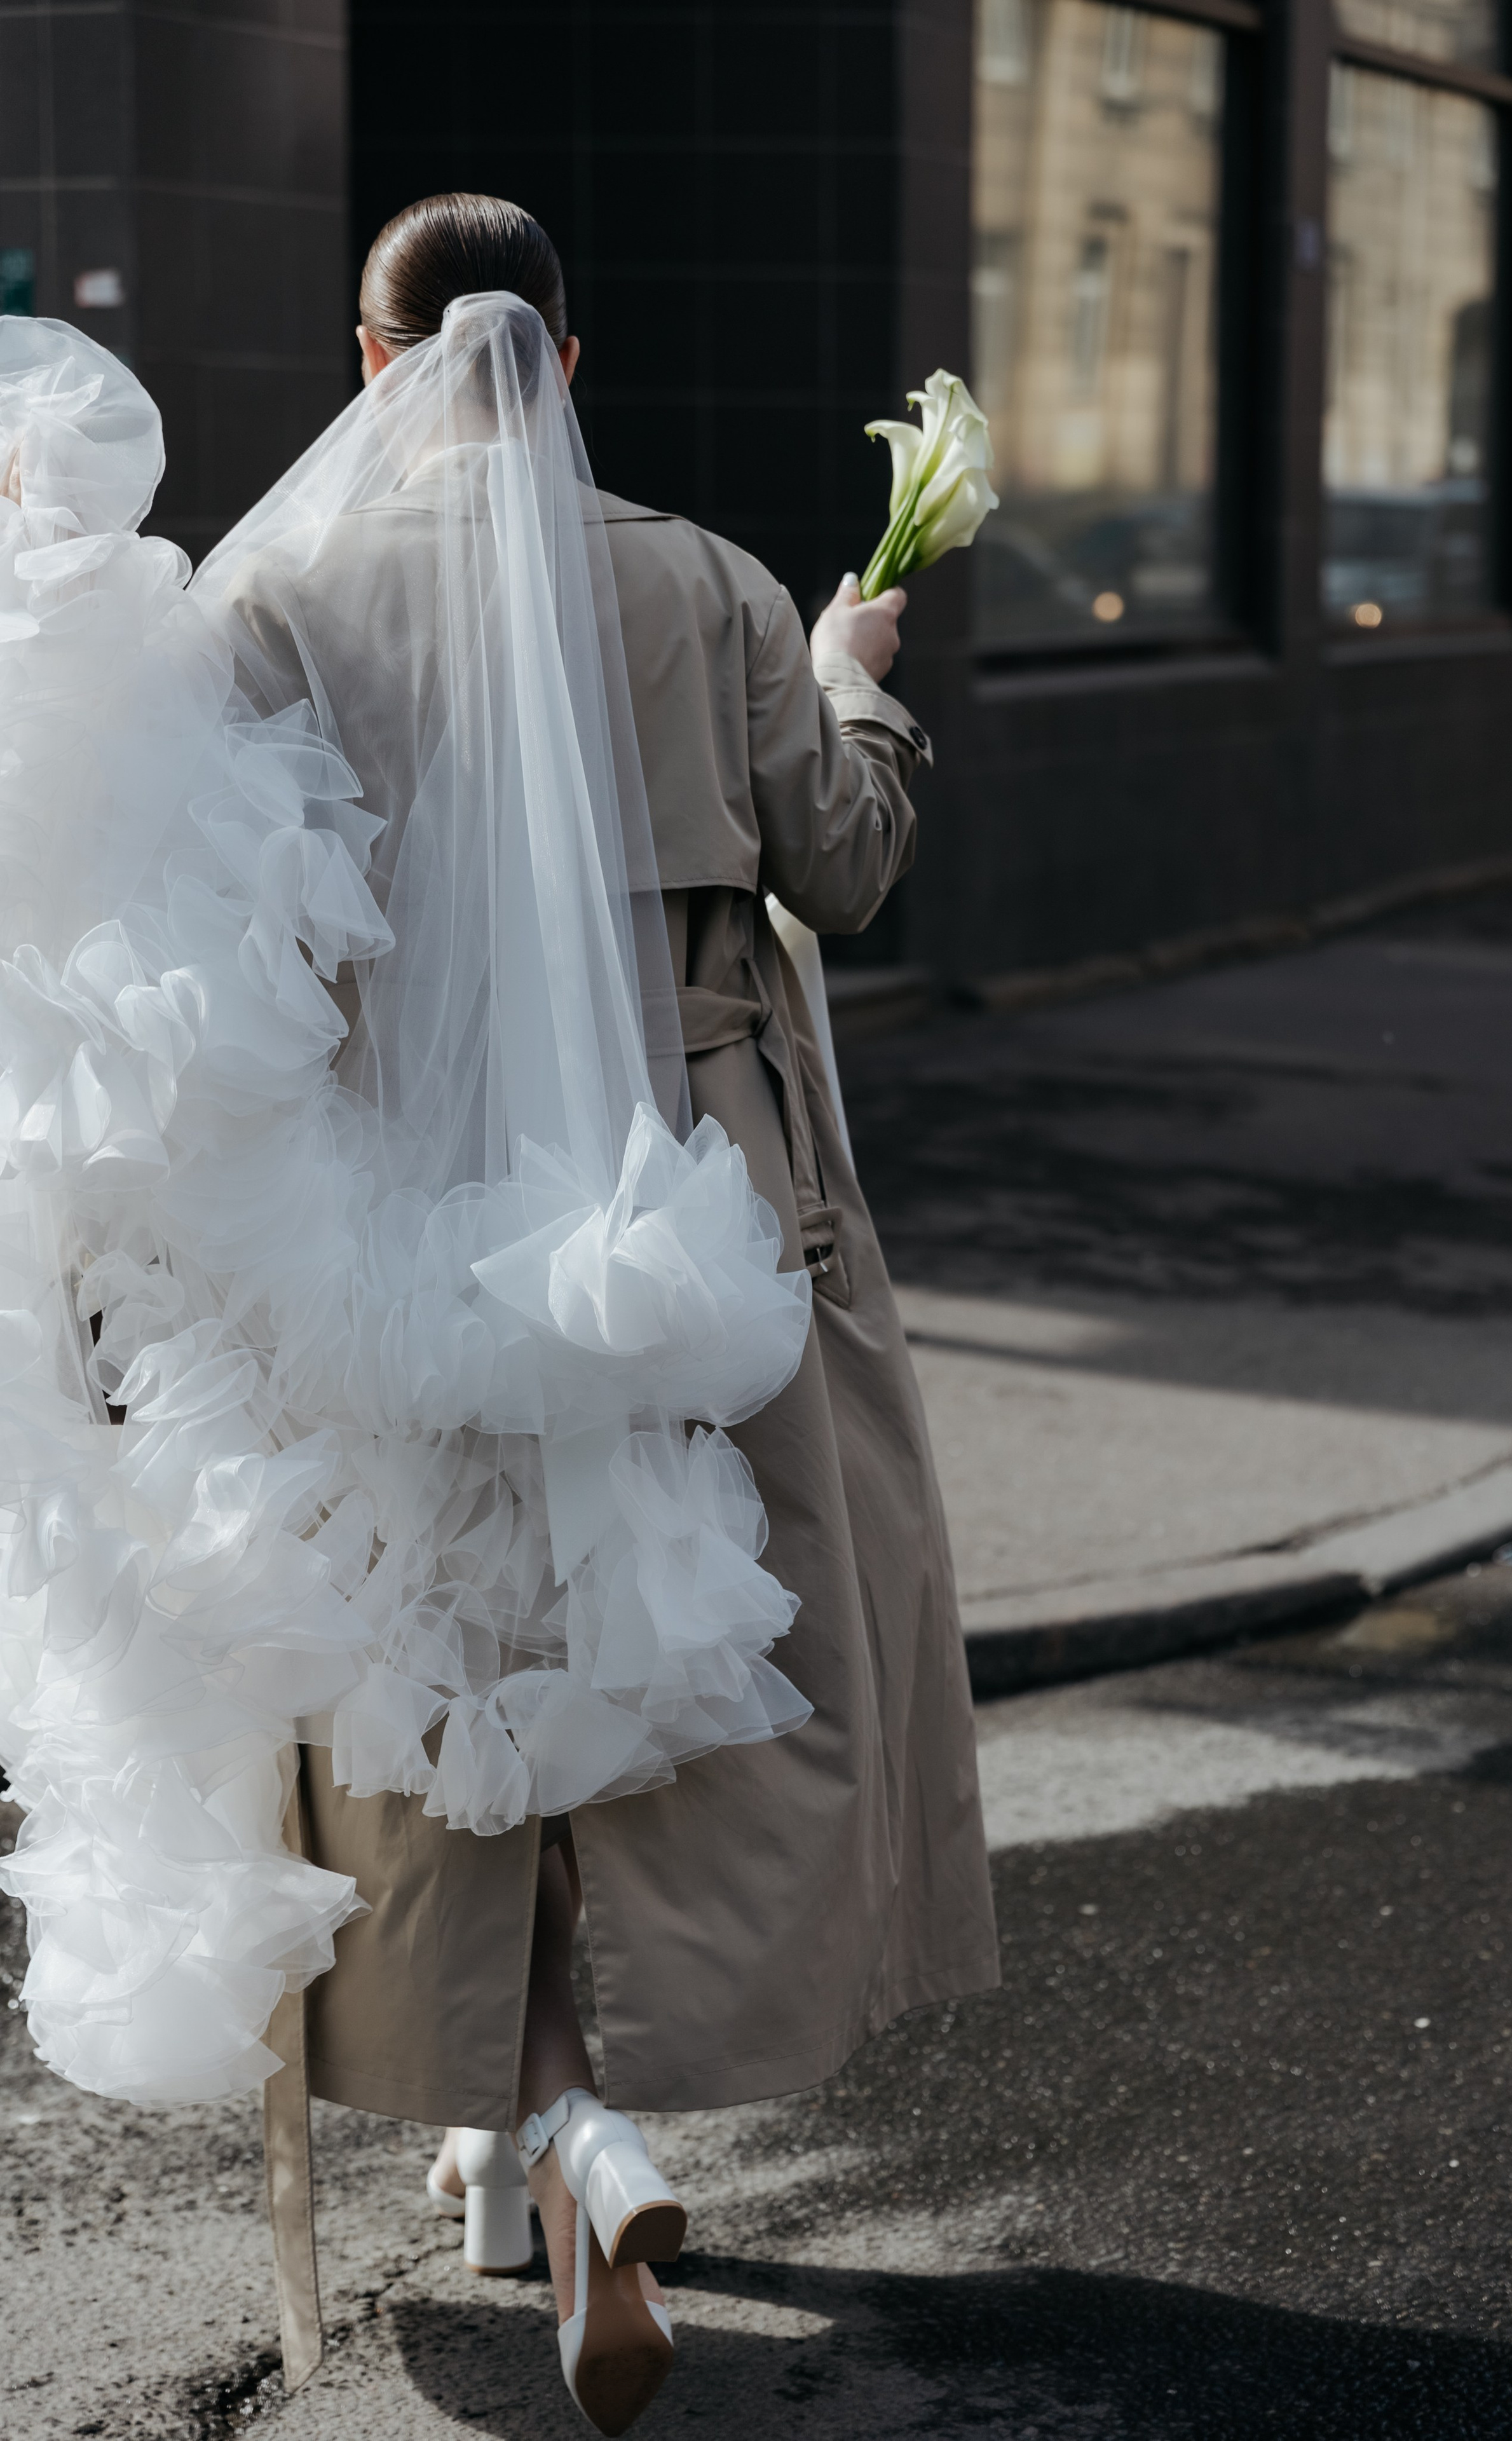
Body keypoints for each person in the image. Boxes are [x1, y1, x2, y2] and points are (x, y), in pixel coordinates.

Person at [0, 193, 997, 2439]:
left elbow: (202, 930)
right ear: (572, 352)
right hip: (689, 1214)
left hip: (380, 1232)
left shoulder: (273, 597)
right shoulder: (709, 581)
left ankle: (515, 2128)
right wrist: (854, 675)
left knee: (433, 1663)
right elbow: (842, 866)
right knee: (677, 1662)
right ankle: (570, 2124)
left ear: (375, 362)